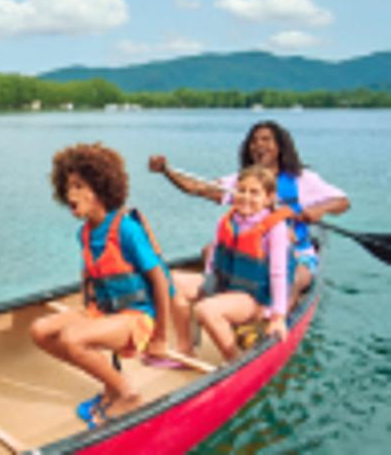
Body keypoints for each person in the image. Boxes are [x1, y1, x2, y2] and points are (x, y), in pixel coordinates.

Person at [31, 142, 171, 428]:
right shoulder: (83, 233)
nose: (71, 194)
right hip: (104, 311)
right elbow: (89, 276)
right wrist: (86, 311)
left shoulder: (126, 229)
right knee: (40, 331)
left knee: (72, 338)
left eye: (79, 186)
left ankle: (127, 394)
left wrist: (160, 338)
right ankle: (111, 382)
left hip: (137, 317)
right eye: (67, 186)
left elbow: (158, 280)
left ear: (100, 188)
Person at [149, 120, 350, 319]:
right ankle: (221, 305)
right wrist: (167, 171)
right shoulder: (241, 181)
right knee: (209, 251)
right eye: (254, 141)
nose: (259, 145)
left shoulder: (301, 178)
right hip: (250, 250)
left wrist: (317, 209)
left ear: (280, 146)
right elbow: (196, 188)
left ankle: (278, 321)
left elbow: (342, 202)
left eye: (266, 139)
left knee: (298, 277)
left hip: (296, 251)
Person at [192, 165, 293, 360]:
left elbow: (278, 274)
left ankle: (234, 359)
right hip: (227, 287)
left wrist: (278, 317)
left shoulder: (276, 229)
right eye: (241, 190)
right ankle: (184, 348)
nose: (245, 197)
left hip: (254, 299)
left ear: (269, 198)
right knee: (173, 285)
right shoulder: (228, 221)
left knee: (204, 309)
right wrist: (208, 283)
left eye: (254, 192)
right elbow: (214, 255)